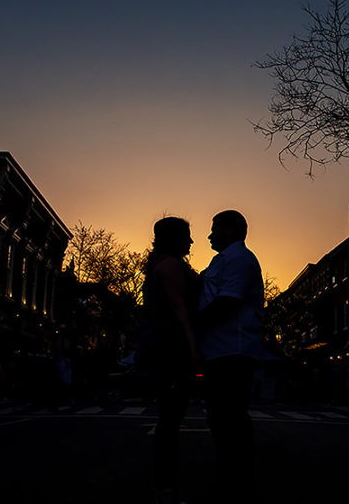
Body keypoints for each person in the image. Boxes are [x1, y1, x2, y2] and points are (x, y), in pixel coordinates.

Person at [197, 210, 265, 503]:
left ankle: (235, 485)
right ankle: (232, 481)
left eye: (214, 229)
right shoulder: (222, 260)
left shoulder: (240, 260)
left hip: (232, 352)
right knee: (220, 418)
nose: (210, 235)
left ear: (230, 229)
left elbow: (226, 303)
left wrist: (192, 324)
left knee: (229, 420)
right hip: (218, 350)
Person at [138, 217, 202, 504]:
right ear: (175, 238)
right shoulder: (170, 265)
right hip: (170, 349)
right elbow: (178, 307)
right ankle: (163, 487)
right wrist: (193, 348)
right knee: (170, 421)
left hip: (161, 347)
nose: (190, 242)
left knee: (169, 420)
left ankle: (162, 485)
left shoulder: (159, 263)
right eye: (186, 236)